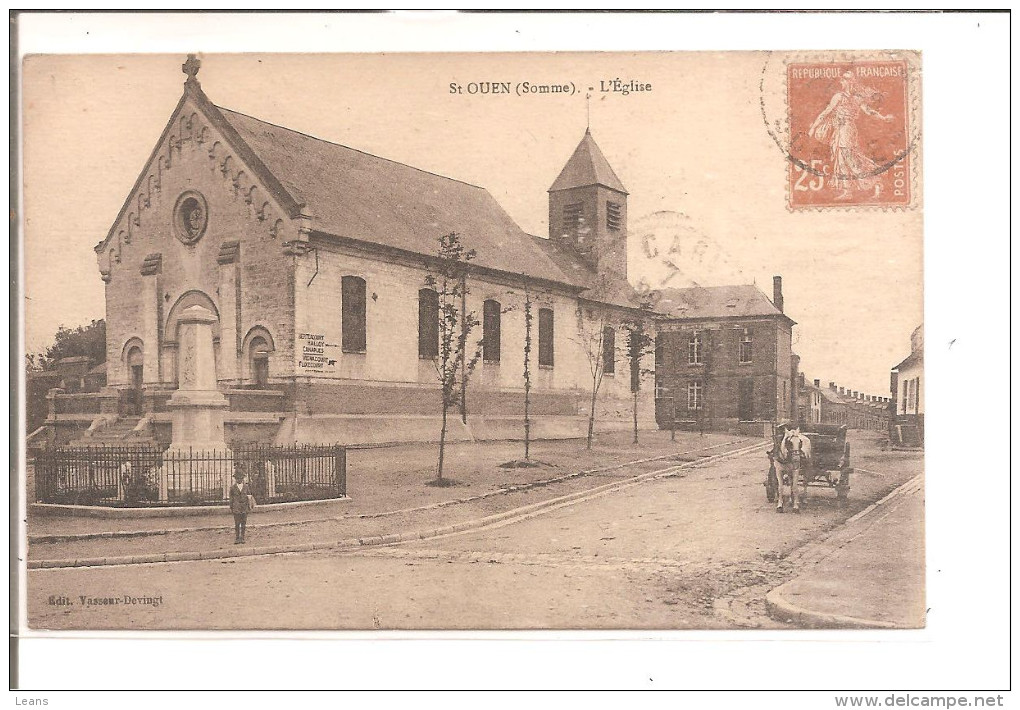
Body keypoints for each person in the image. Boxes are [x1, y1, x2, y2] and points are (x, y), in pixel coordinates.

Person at [808, 71, 894, 200]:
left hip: (845, 130)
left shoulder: (840, 96)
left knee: (850, 160)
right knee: (842, 159)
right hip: (843, 130)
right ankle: (848, 191)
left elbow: (826, 112)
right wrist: (883, 117)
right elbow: (869, 111)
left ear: (849, 82)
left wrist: (814, 127)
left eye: (843, 80)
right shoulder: (856, 97)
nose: (841, 82)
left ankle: (876, 181)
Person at [229, 471, 254, 544]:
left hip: (244, 508)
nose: (239, 480)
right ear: (235, 479)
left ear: (242, 479)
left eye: (240, 478)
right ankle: (237, 538)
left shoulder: (246, 487)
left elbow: (249, 497)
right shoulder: (233, 488)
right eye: (237, 478)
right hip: (236, 508)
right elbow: (231, 499)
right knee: (237, 524)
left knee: (243, 523)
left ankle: (242, 537)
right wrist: (232, 507)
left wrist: (249, 507)